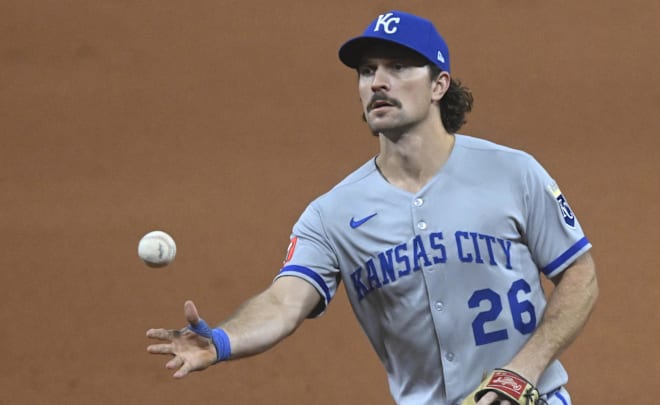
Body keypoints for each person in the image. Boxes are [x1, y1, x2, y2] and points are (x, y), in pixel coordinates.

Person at [146, 10, 599, 405]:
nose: (378, 82)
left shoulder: (512, 172)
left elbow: (580, 275)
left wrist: (523, 369)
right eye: (367, 71)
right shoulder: (332, 214)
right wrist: (223, 340)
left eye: (398, 67)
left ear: (439, 84)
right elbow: (284, 302)